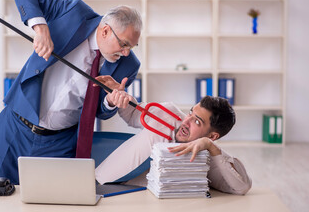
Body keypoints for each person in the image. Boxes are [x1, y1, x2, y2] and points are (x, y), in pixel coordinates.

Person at [0, 0, 142, 184]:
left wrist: (111, 101)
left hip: (60, 143)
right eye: (124, 44)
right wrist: (40, 28)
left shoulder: (128, 65)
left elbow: (102, 111)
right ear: (105, 31)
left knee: (53, 200)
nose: (127, 52)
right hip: (16, 127)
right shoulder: (73, 13)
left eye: (132, 46)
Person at [94, 76, 252, 195]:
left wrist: (210, 147)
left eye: (197, 122)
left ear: (212, 136)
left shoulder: (207, 158)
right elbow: (133, 114)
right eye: (191, 113)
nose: (187, 121)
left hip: (136, 196)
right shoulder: (168, 113)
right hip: (98, 180)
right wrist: (119, 96)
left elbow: (242, 186)